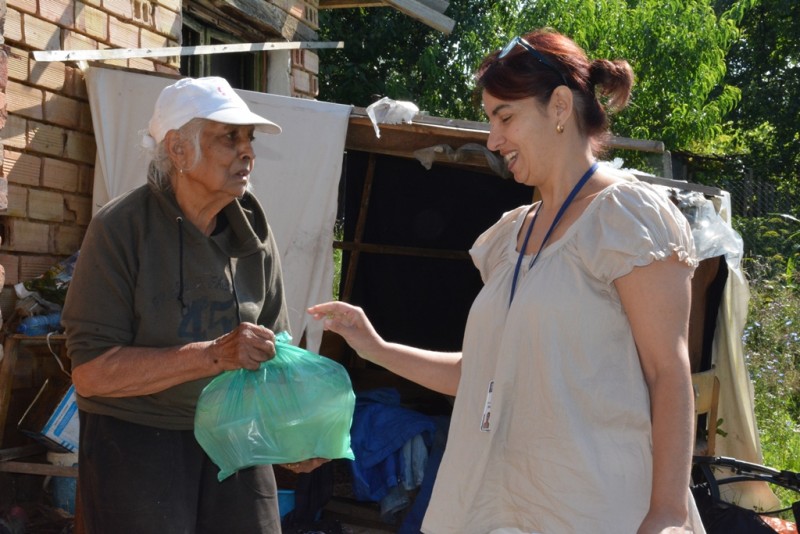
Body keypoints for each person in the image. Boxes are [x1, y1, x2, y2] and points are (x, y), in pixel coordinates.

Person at [309, 28, 705, 534]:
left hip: (593, 511)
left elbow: (667, 373)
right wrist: (375, 348)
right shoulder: (510, 236)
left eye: (505, 117)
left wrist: (668, 513)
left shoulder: (626, 219)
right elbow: (480, 376)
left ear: (560, 107)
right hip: (493, 508)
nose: (493, 139)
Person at [62, 76, 325, 534]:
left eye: (250, 139)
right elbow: (91, 372)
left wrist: (294, 433)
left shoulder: (252, 231)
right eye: (229, 137)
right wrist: (212, 355)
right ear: (179, 150)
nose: (248, 152)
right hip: (137, 434)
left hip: (232, 434)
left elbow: (275, 350)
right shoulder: (121, 228)